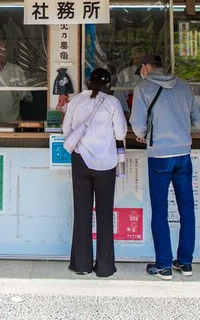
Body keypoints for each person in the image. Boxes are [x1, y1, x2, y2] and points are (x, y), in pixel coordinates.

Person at [129, 53, 200, 280]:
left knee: (160, 211)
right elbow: (197, 121)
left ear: (146, 67)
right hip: (183, 154)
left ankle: (163, 265)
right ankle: (185, 263)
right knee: (187, 210)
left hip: (159, 155)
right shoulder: (183, 85)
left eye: (142, 67)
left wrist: (145, 135)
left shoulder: (143, 87)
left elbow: (137, 124)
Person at [62, 67, 128, 277]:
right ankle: (105, 267)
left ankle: (81, 265)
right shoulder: (112, 103)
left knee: (82, 212)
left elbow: (66, 131)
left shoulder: (76, 101)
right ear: (108, 85)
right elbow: (121, 133)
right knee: (104, 214)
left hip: (81, 159)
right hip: (106, 163)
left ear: (89, 82)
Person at [0, 38, 32, 121]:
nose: (2, 52)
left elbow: (26, 96)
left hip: (13, 117)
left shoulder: (17, 70)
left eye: (5, 49)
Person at [114, 45, 144, 112]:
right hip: (129, 107)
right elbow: (119, 93)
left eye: (140, 57)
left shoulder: (150, 73)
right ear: (132, 57)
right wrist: (126, 112)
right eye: (136, 57)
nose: (138, 59)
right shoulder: (125, 73)